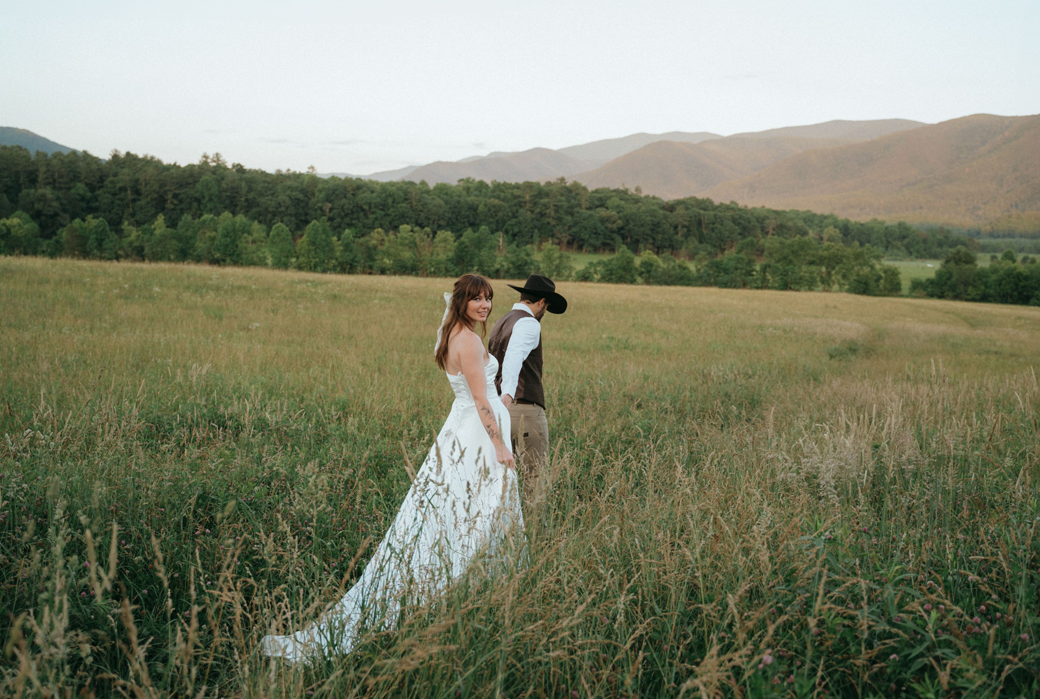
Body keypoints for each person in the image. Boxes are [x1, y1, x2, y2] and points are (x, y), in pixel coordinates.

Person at [261, 274, 523, 663]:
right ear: (462, 302)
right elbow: (482, 402)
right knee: (473, 513)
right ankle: (452, 590)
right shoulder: (467, 341)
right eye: (477, 299)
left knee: (468, 512)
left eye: (488, 299)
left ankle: (473, 592)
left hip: (463, 430)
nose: (484, 305)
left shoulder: (458, 332)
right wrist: (500, 445)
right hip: (475, 437)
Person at [488, 274, 567, 505]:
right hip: (523, 411)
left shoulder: (502, 321)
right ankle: (533, 537)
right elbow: (513, 358)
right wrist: (508, 394)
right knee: (534, 481)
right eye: (547, 306)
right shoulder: (529, 323)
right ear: (541, 302)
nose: (545, 312)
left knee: (502, 481)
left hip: (498, 412)